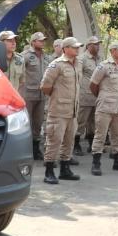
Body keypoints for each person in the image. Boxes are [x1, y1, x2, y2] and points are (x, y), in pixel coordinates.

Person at [40, 37, 84, 185]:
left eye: (78, 47)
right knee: (54, 141)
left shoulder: (78, 64)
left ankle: (65, 169)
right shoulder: (56, 65)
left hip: (73, 111)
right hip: (58, 110)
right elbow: (45, 86)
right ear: (65, 48)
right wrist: (58, 97)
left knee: (69, 141)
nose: (77, 49)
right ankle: (49, 171)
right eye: (74, 47)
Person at [87, 40, 118, 175]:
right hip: (105, 106)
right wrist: (103, 97)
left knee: (117, 135)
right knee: (100, 135)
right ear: (113, 51)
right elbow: (93, 85)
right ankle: (96, 163)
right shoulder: (103, 66)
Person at [19, 31, 49, 161]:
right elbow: (19, 72)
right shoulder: (25, 56)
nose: (42, 42)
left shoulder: (46, 57)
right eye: (40, 40)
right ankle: (23, 150)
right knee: (26, 122)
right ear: (33, 42)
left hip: (42, 95)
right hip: (28, 94)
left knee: (38, 123)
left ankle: (36, 149)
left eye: (43, 40)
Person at [75, 36, 102, 156]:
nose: (97, 46)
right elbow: (78, 76)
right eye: (95, 44)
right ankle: (76, 144)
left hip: (97, 96)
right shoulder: (82, 59)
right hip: (85, 95)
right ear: (88, 46)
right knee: (81, 121)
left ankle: (91, 144)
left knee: (94, 122)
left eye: (98, 44)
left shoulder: (100, 58)